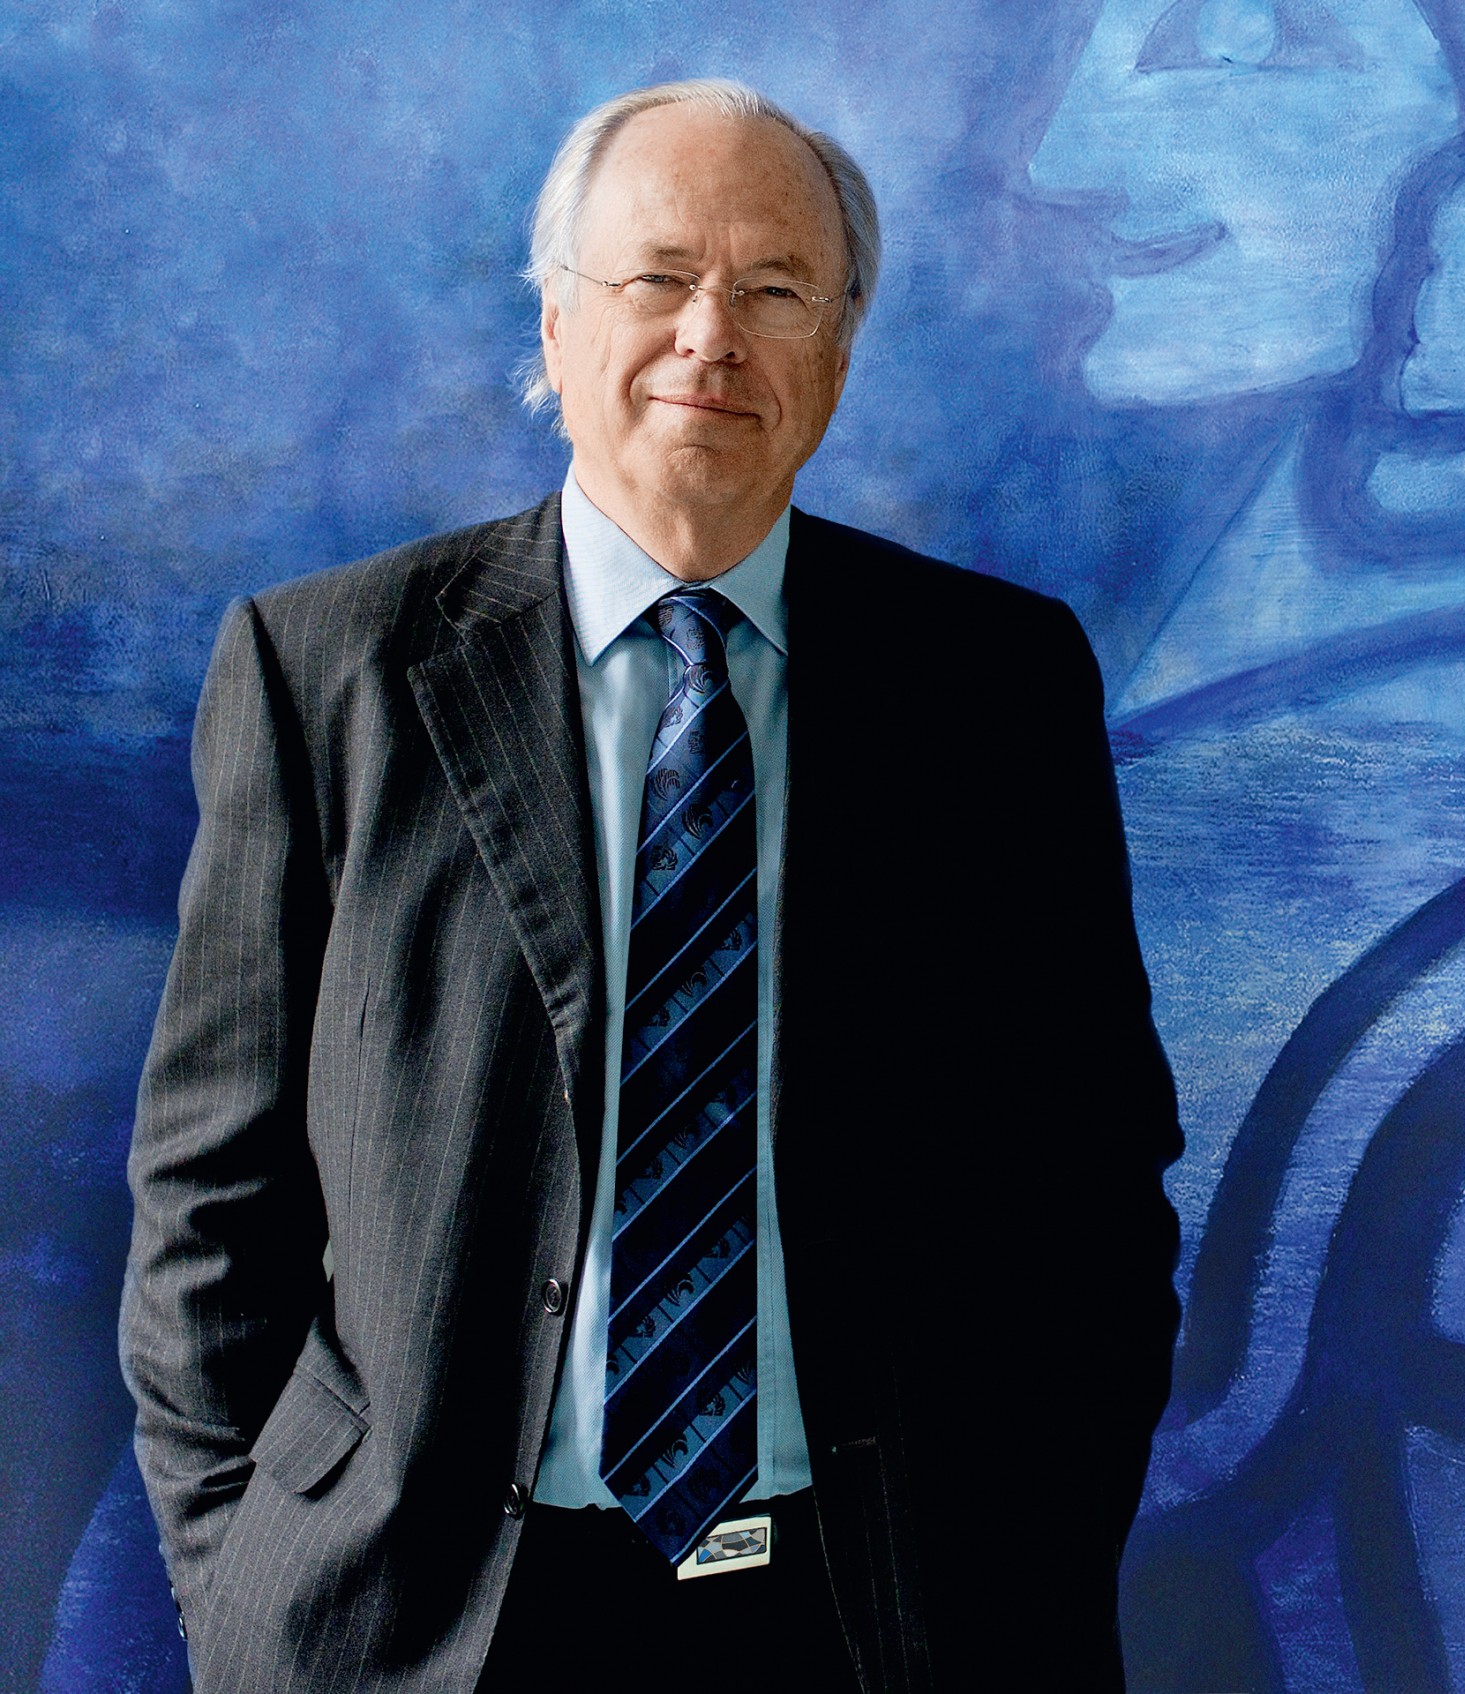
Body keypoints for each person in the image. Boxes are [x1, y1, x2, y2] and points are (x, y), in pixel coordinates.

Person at [118, 77, 1182, 1694]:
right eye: (659, 277)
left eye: (776, 292)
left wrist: (1031, 1545)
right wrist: (246, 1584)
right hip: (420, 1621)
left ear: (838, 354)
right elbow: (209, 1202)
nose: (710, 337)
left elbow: (1093, 1185)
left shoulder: (996, 685)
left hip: (879, 1614)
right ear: (557, 328)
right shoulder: (327, 673)